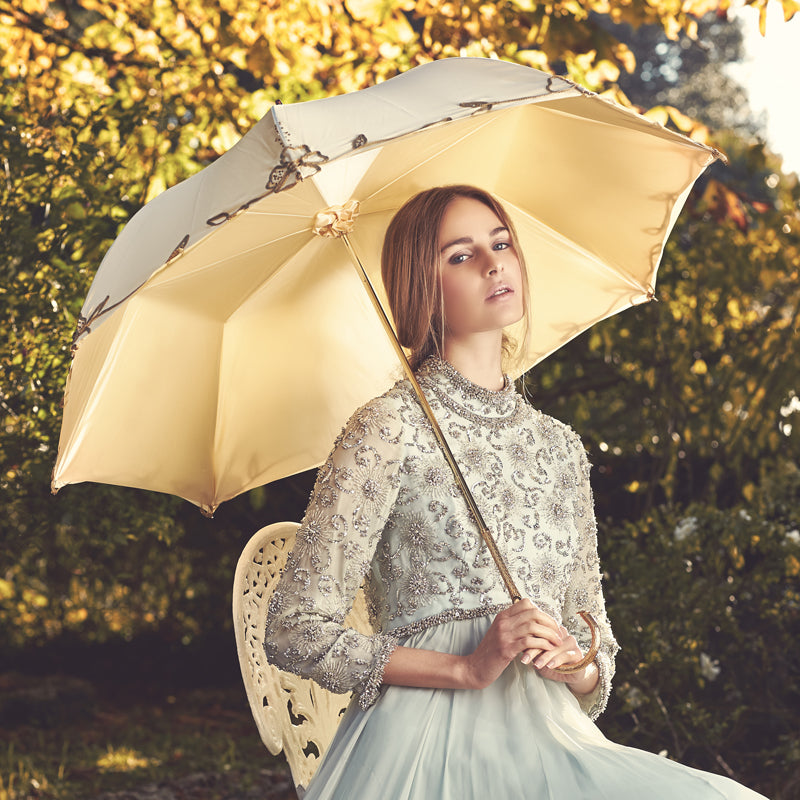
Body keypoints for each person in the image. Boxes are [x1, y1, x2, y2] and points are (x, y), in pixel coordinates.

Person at [264, 185, 768, 799]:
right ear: (421, 287)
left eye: (500, 243)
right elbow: (294, 629)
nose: (493, 262)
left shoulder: (559, 447)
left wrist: (572, 659)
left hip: (552, 741)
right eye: (460, 255)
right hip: (424, 750)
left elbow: (596, 653)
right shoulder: (386, 429)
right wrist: (467, 667)